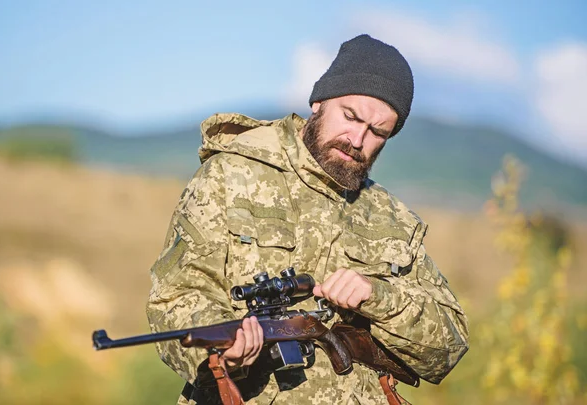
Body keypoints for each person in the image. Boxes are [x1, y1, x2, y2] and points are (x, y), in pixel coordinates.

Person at [146, 34, 469, 405]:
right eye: (350, 116)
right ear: (319, 100)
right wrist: (223, 349)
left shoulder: (395, 221)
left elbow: (448, 347)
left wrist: (377, 296)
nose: (357, 139)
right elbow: (173, 298)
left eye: (378, 132)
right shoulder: (229, 176)